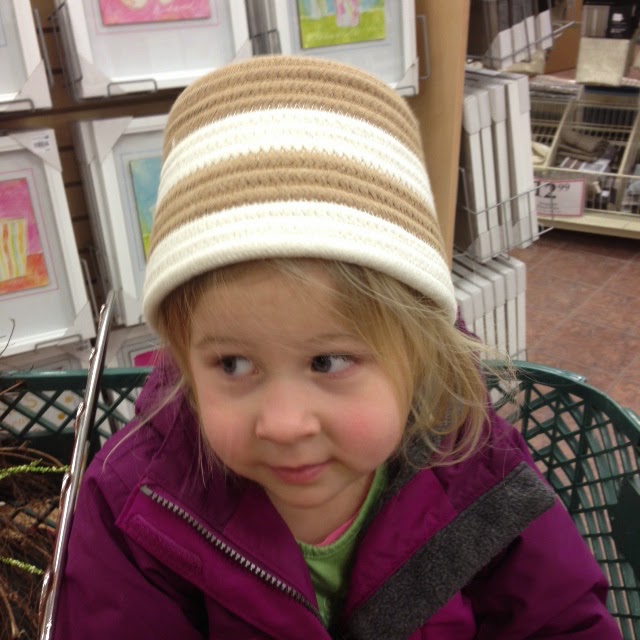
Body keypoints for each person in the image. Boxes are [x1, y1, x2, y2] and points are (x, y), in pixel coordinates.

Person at [53, 56, 621, 639]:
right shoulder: (135, 503)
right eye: (233, 364)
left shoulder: (474, 462)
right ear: (183, 356)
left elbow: (562, 621)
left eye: (329, 361)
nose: (284, 424)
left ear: (421, 353)